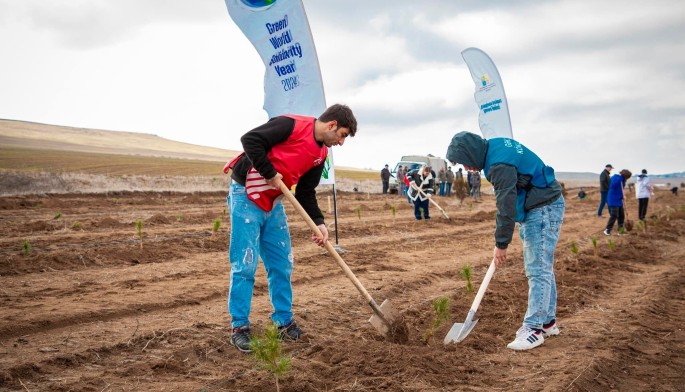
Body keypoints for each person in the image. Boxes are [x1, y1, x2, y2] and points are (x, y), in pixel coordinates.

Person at [224, 104, 357, 352]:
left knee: (282, 263)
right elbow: (250, 140)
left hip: (273, 201)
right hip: (246, 193)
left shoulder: (321, 154)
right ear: (332, 125)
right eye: (342, 135)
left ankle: (283, 322)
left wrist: (319, 223)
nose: (341, 142)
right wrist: (269, 172)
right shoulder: (291, 125)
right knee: (245, 264)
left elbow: (306, 192)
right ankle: (239, 327)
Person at [447, 131, 565, 351]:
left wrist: (501, 244)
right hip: (545, 202)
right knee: (543, 266)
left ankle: (534, 330)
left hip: (543, 208)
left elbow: (506, 205)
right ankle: (547, 323)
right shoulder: (495, 146)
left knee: (538, 269)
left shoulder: (497, 165)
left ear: (471, 153)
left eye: (465, 163)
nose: (467, 169)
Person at [604, 169, 632, 235]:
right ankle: (607, 230)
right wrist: (620, 178)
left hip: (618, 200)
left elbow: (620, 189)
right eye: (627, 177)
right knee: (614, 215)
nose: (627, 179)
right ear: (625, 176)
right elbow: (612, 186)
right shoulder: (616, 178)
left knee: (621, 215)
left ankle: (620, 231)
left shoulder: (622, 180)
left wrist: (622, 196)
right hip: (612, 199)